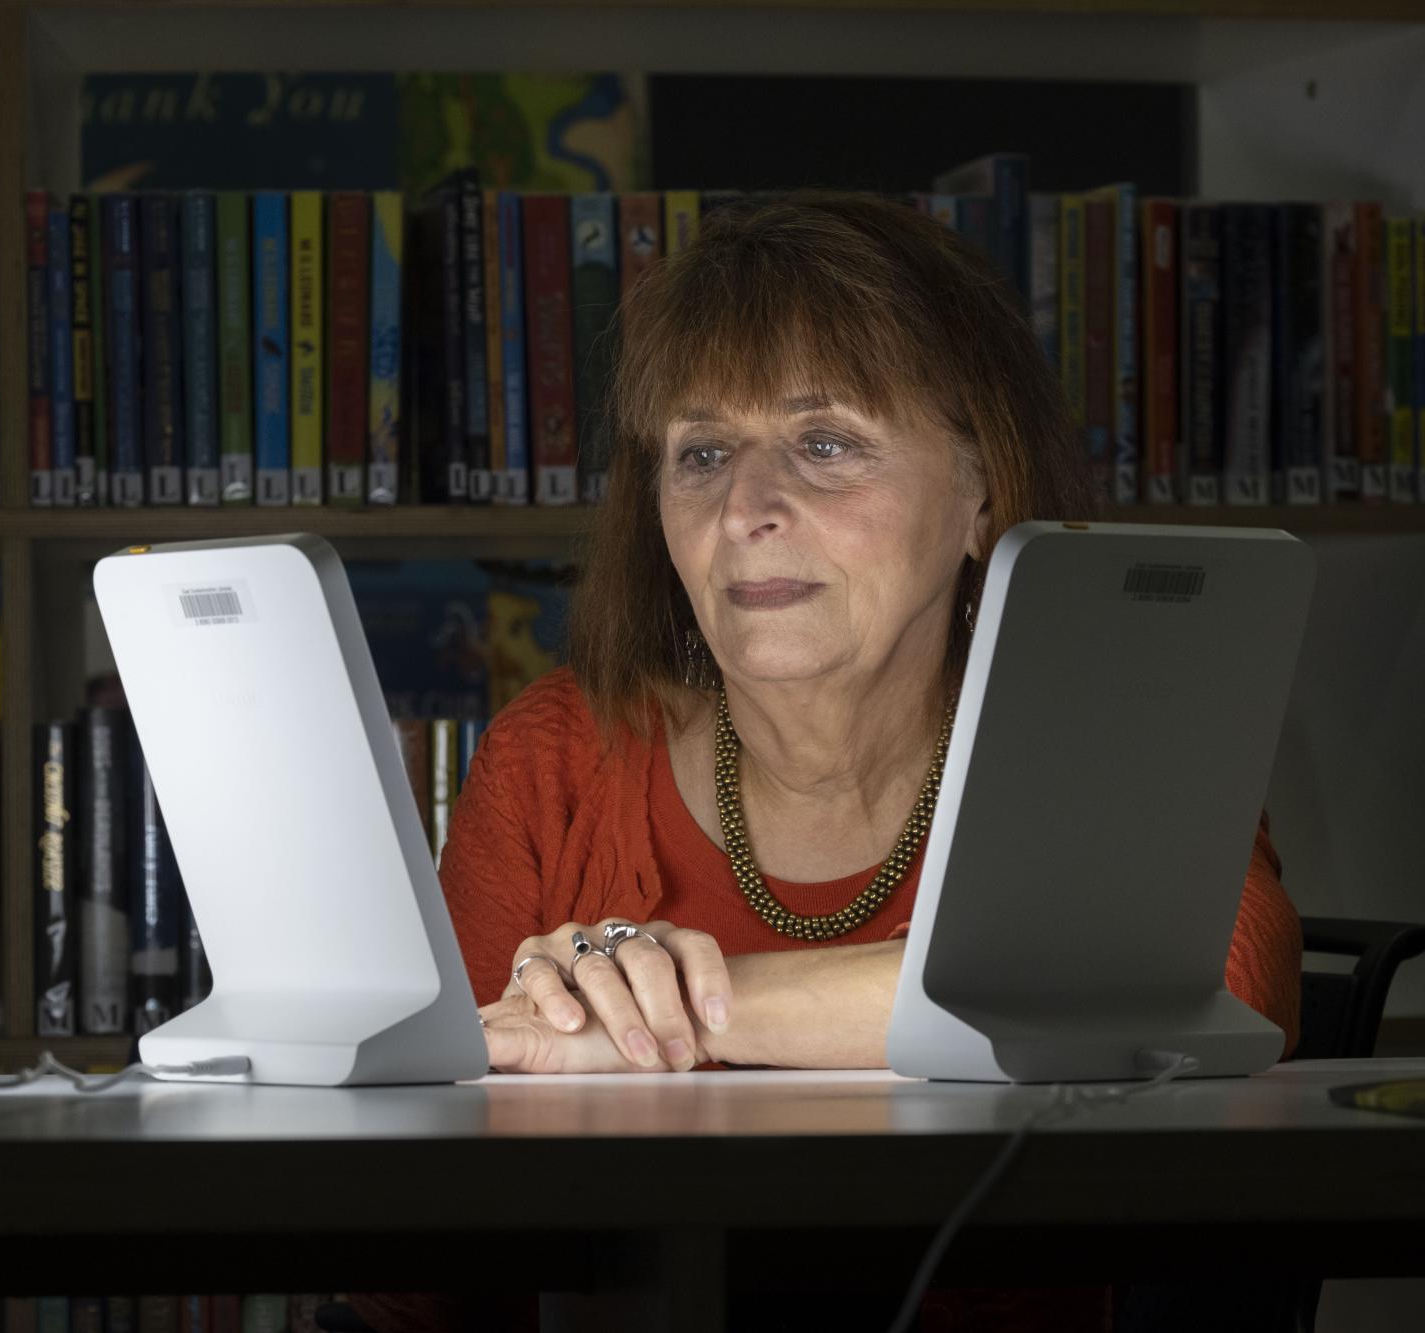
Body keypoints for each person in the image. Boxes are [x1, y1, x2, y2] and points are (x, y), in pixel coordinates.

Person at [349, 192, 1301, 1333]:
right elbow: (417, 1251)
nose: (746, 506)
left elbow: (1209, 988)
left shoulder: (1122, 737)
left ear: (977, 490)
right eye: (701, 452)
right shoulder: (558, 756)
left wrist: (681, 1011)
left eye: (825, 442)